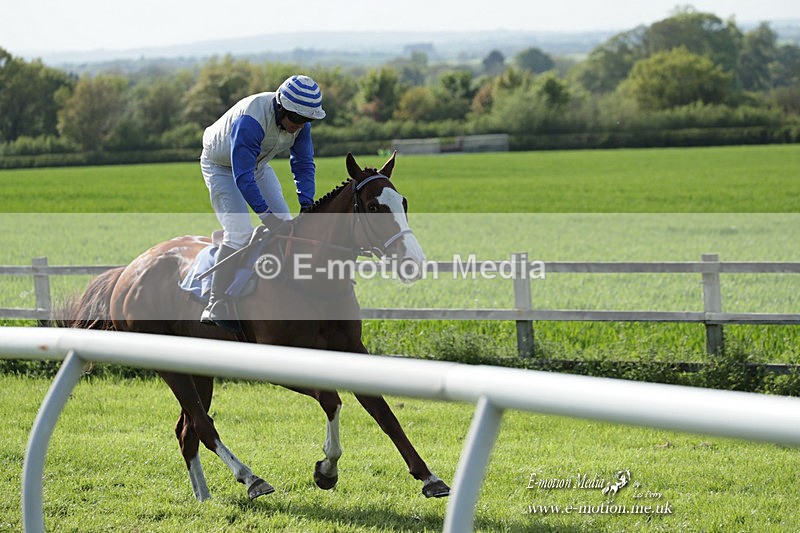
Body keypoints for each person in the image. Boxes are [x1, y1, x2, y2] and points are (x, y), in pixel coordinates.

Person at [199, 74, 326, 331]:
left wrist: (307, 203)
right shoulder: (251, 121)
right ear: (281, 108)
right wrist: (267, 217)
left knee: (287, 225)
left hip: (257, 165)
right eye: (296, 119)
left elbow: (303, 163)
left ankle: (284, 289)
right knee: (239, 232)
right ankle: (215, 301)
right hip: (221, 167)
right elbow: (243, 177)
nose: (300, 126)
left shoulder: (301, 124)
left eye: (307, 121)